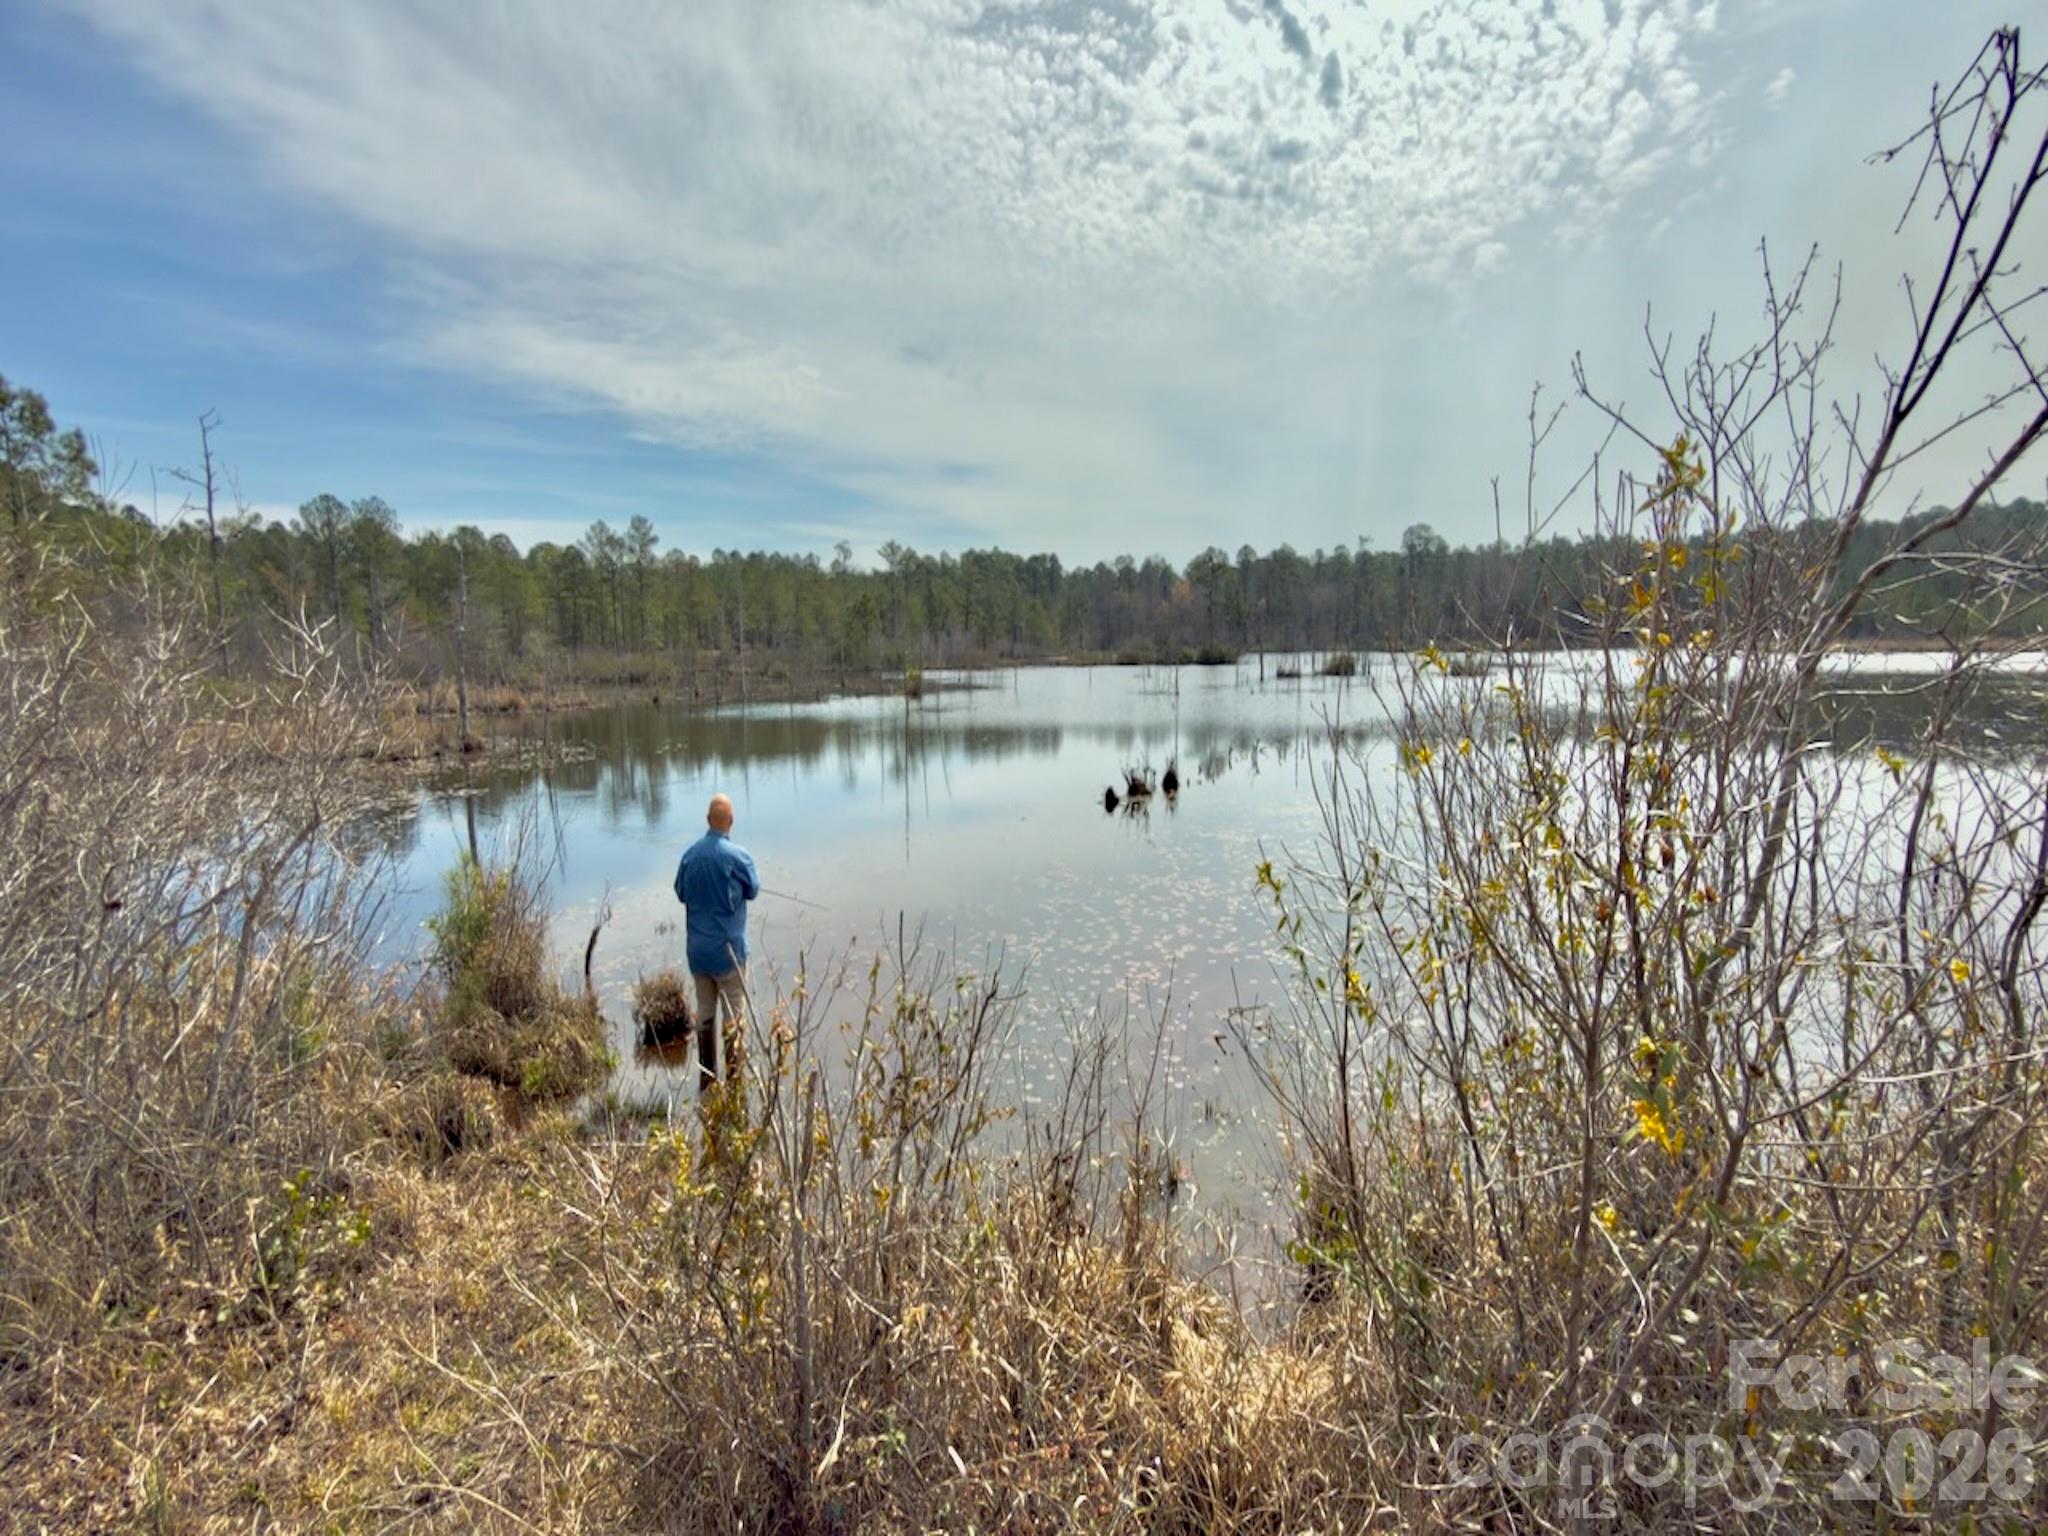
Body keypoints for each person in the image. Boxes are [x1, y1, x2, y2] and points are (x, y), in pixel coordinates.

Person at [673, 793, 759, 1091]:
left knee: (705, 1012)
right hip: (729, 954)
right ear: (730, 822)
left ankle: (707, 1080)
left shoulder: (689, 856)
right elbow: (753, 890)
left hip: (698, 954)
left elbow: (681, 893)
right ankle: (735, 1083)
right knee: (734, 1015)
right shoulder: (739, 857)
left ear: (709, 820)